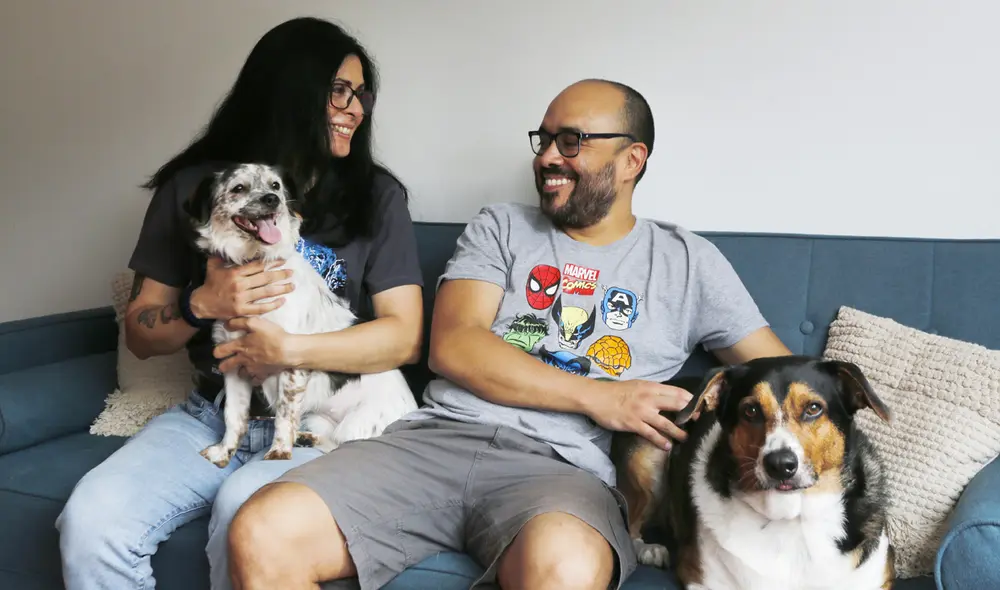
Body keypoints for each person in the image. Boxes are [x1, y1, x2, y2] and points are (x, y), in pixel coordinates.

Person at [225, 79, 792, 590]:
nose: (547, 156)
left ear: (631, 160)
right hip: (432, 441)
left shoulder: (688, 262)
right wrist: (603, 396)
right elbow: (455, 346)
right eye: (543, 139)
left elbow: (786, 381)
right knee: (262, 531)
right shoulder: (501, 226)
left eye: (571, 141)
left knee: (566, 567)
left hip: (562, 469)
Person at [55, 17, 424, 590]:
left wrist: (287, 348)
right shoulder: (194, 188)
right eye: (338, 91)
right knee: (91, 522)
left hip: (313, 423)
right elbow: (142, 334)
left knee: (247, 523)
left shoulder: (376, 196)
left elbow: (403, 337)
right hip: (210, 416)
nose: (356, 109)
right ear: (288, 91)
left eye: (361, 95)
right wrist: (201, 304)